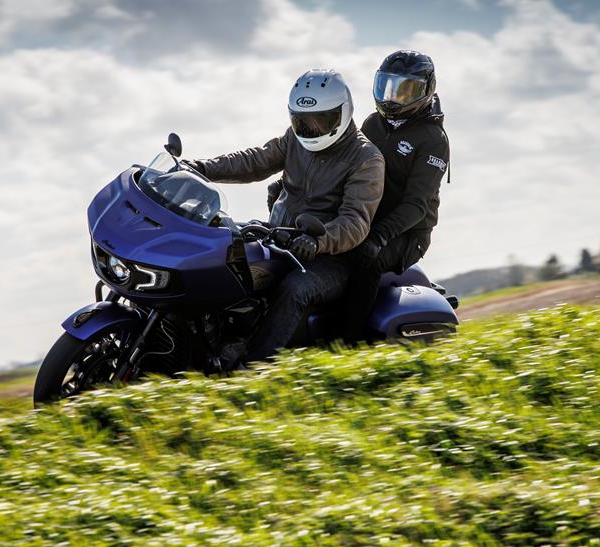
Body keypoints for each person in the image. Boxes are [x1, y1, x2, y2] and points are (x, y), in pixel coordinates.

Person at [186, 69, 385, 362]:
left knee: (295, 289)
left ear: (343, 113)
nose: (311, 129)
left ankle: (254, 368)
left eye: (322, 120)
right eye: (302, 121)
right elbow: (255, 160)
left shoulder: (366, 159)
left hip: (331, 258)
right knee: (221, 254)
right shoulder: (295, 139)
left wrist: (319, 242)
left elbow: (355, 221)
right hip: (280, 238)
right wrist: (202, 168)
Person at [344, 50, 450, 342]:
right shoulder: (371, 125)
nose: (393, 98)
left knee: (366, 262)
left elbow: (416, 206)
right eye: (388, 87)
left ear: (427, 91)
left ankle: (346, 343)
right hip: (368, 219)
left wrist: (378, 238)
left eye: (406, 91)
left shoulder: (432, 140)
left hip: (407, 234)